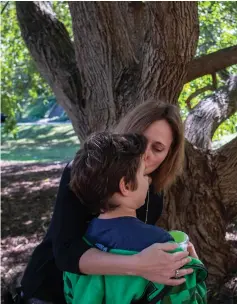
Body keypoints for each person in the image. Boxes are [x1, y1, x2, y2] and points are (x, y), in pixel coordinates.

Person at [20, 101, 193, 304]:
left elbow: (132, 248)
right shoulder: (83, 173)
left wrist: (181, 259)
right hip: (51, 290)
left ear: (169, 155)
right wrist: (138, 264)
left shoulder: (153, 194)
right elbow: (66, 253)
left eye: (158, 148)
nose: (146, 154)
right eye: (140, 140)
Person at [64, 132, 207, 304]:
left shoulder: (82, 244)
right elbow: (189, 299)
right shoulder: (162, 246)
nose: (149, 179)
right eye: (143, 173)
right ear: (126, 185)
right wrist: (195, 266)